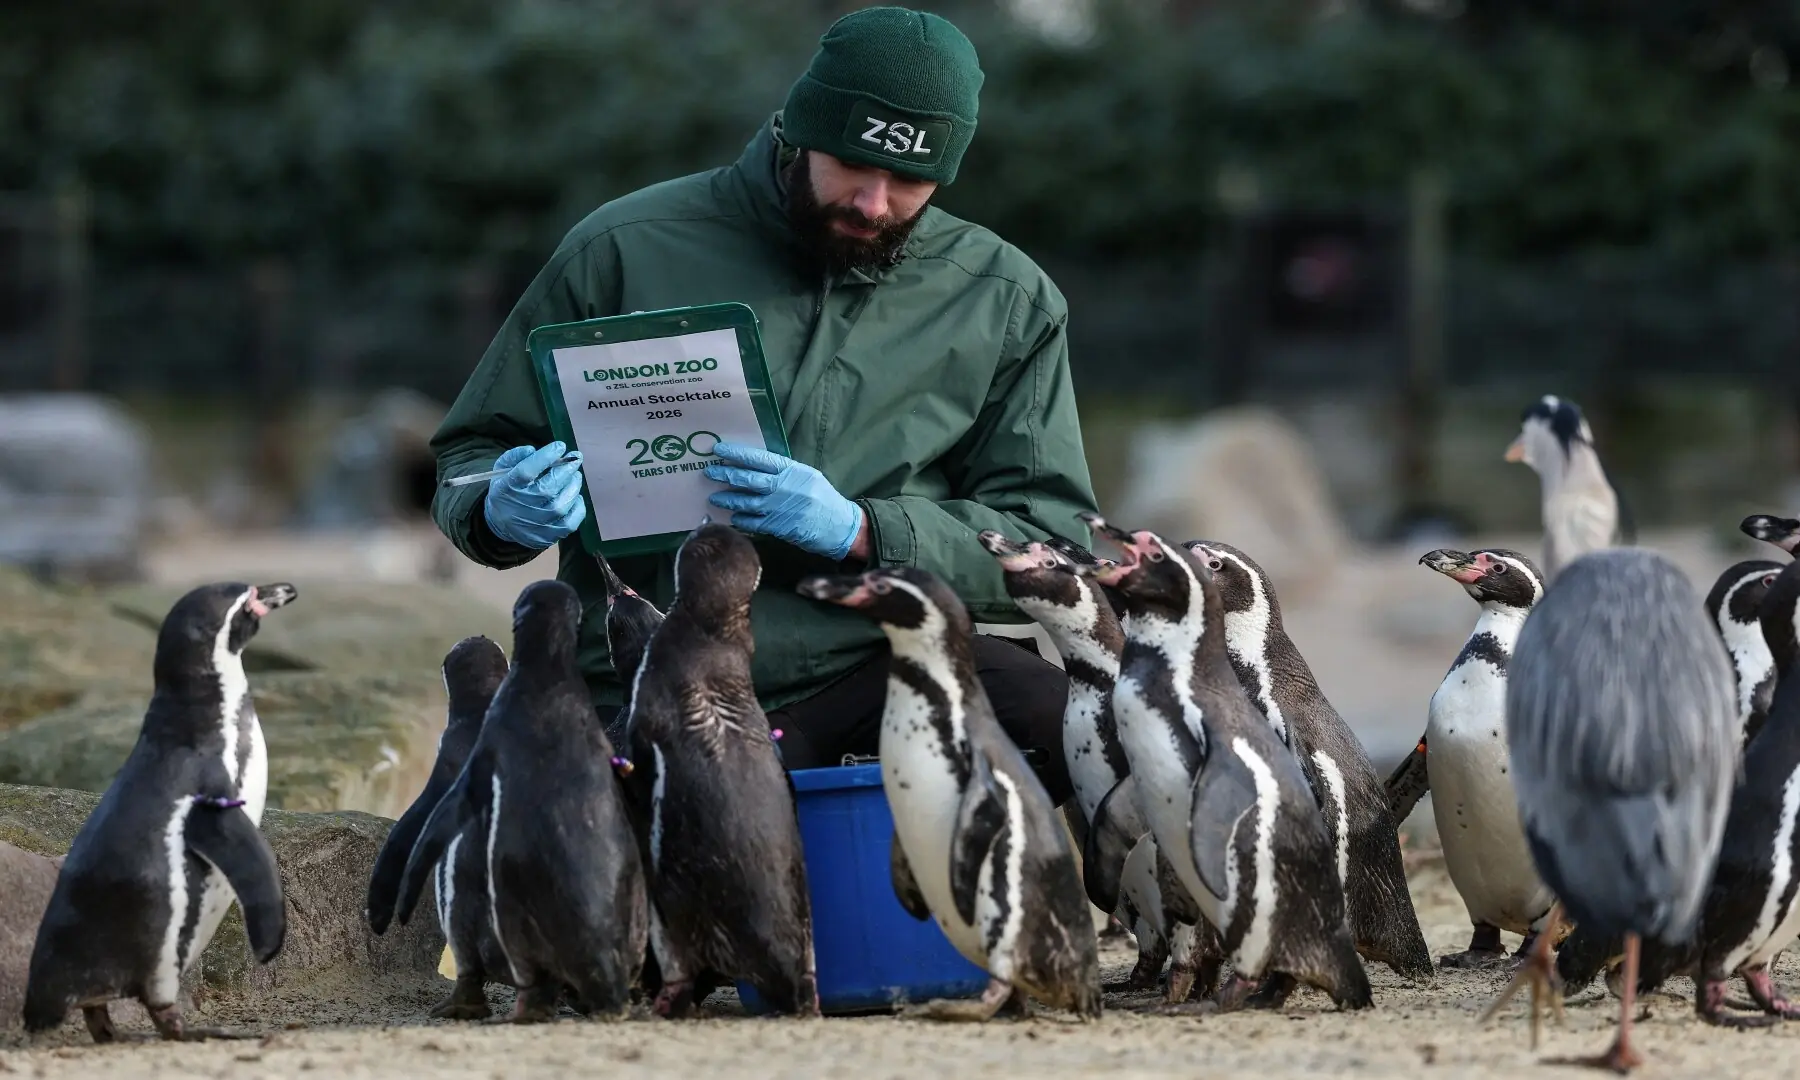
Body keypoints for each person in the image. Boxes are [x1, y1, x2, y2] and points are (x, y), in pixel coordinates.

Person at [429, 6, 1097, 804]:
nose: (875, 203)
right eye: (853, 162)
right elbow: (469, 455)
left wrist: (860, 530)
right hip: (650, 675)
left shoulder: (1005, 299)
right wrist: (499, 510)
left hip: (875, 661)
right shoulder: (623, 249)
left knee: (1070, 726)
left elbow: (1052, 544)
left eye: (912, 181)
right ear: (799, 131)